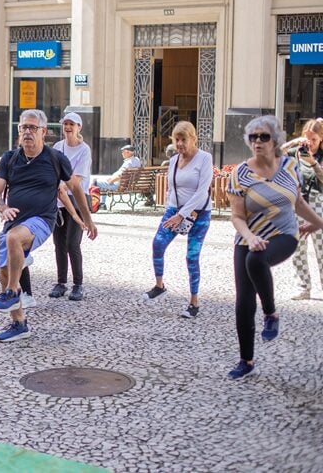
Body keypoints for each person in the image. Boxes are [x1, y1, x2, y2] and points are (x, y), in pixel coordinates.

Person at [225, 115, 323, 379]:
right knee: (244, 301)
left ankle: (270, 313)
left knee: (256, 260)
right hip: (248, 237)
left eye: (264, 136)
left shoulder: (290, 166)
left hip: (284, 233)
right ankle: (246, 361)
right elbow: (237, 216)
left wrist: (319, 223)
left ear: (275, 140)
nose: (257, 141)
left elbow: (298, 203)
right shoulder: (240, 173)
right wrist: (249, 237)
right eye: (253, 137)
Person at [0, 109, 97, 342]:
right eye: (23, 127)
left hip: (42, 220)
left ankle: (12, 291)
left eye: (32, 128)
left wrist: (87, 218)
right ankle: (19, 324)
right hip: (14, 220)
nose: (27, 132)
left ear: (43, 132)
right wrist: (3, 208)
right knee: (4, 269)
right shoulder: (9, 158)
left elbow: (76, 189)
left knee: (14, 238)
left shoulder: (55, 158)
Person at [142, 122, 213, 319]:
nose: (180, 144)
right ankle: (159, 286)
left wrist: (182, 215)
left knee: (192, 256)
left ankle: (194, 302)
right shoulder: (174, 160)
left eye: (184, 139)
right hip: (175, 210)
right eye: (177, 140)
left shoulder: (204, 158)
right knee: (158, 243)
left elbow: (202, 191)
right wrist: (170, 210)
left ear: (193, 139)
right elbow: (171, 189)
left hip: (199, 212)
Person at [50, 112, 93, 301]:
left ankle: (78, 284)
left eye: (71, 124)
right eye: (65, 124)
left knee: (72, 243)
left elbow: (78, 177)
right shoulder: (57, 147)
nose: (68, 127)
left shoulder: (84, 150)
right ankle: (61, 282)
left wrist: (64, 186)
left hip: (77, 199)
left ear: (79, 127)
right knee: (59, 243)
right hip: (59, 200)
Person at [281, 119, 323, 300]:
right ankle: (303, 287)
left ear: (321, 138)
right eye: (308, 139)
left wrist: (313, 163)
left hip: (318, 204)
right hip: (298, 204)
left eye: (314, 139)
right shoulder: (298, 151)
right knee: (297, 248)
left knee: (321, 248)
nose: (310, 143)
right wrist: (294, 142)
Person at [95, 144, 142, 209]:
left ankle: (96, 203)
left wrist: (111, 181)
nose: (122, 153)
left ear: (128, 152)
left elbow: (121, 175)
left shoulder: (128, 163)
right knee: (103, 182)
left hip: (119, 186)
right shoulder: (137, 160)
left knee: (95, 182)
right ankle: (102, 204)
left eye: (123, 152)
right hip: (127, 184)